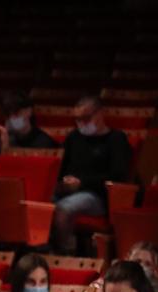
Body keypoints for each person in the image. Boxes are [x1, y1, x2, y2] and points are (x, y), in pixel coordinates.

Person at [53, 95, 135, 254]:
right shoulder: (73, 138)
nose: (81, 123)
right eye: (77, 119)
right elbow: (60, 167)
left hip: (98, 195)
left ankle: (65, 253)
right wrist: (63, 183)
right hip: (70, 190)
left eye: (86, 117)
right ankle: (43, 248)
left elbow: (118, 176)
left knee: (64, 208)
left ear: (100, 114)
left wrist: (82, 183)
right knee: (41, 203)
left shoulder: (116, 139)